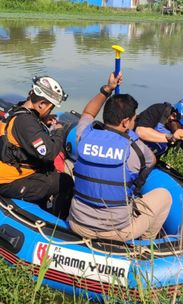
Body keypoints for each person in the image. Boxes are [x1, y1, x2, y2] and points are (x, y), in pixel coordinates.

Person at [67, 72, 172, 242]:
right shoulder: (135, 148)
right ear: (125, 122)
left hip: (78, 224)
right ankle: (145, 246)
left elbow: (88, 113)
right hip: (117, 232)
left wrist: (107, 89)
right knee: (164, 196)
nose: (134, 121)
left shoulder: (83, 135)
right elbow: (151, 161)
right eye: (133, 119)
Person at [0, 76, 73, 218]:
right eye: (50, 107)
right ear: (41, 104)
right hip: (9, 182)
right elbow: (49, 153)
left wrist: (42, 120)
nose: (50, 110)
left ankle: (43, 206)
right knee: (66, 182)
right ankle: (58, 222)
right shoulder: (25, 123)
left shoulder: (19, 109)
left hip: (7, 173)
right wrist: (59, 131)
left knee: (50, 171)